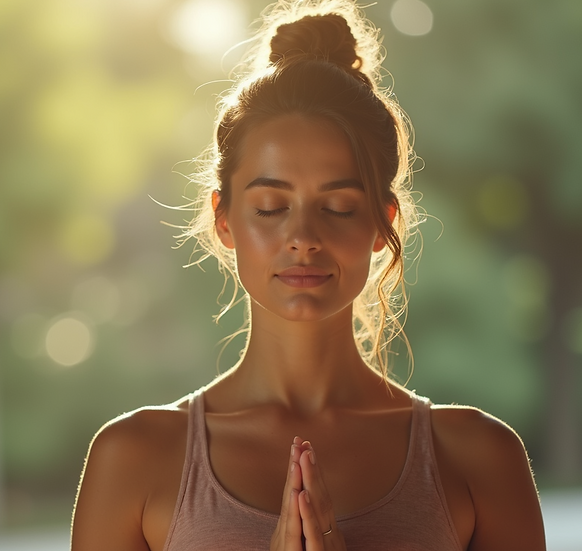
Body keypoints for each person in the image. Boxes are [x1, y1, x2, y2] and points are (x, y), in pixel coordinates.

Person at [71, 0, 545, 549]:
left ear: (380, 222)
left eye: (339, 207)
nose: (303, 237)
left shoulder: (480, 460)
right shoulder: (133, 460)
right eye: (271, 207)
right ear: (224, 220)